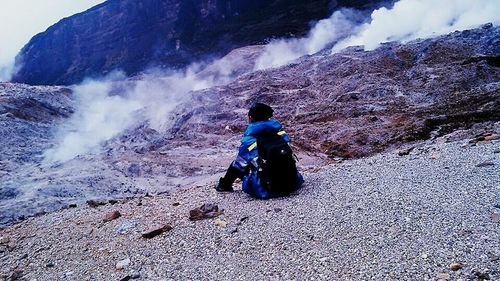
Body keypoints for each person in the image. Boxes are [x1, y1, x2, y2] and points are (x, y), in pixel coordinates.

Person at [215, 102, 304, 199]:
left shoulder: (250, 141)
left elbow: (239, 165)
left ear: (251, 118)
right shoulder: (281, 134)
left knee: (239, 162)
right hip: (293, 183)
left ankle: (224, 186)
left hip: (266, 188)